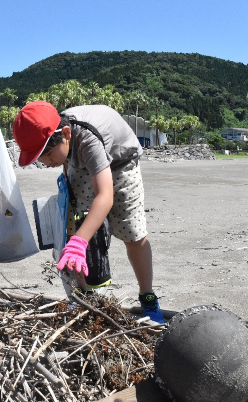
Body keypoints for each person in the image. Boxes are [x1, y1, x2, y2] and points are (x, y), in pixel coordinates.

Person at [13, 101, 164, 323]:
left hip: (121, 163)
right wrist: (78, 236)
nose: (45, 163)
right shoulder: (61, 138)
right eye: (39, 158)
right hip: (79, 161)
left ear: (65, 133)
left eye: (47, 155)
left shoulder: (88, 138)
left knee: (132, 231)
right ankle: (85, 297)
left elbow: (105, 196)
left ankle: (148, 297)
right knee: (79, 224)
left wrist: (79, 242)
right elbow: (79, 213)